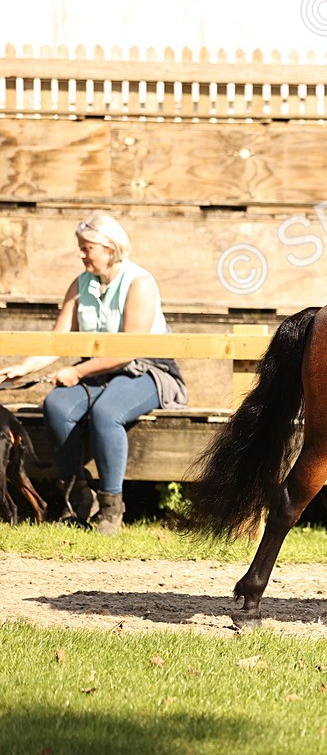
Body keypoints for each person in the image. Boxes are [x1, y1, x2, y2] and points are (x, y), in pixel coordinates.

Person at [0, 213, 187, 534]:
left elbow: (129, 348)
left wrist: (76, 370)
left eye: (87, 248)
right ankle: (77, 501)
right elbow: (57, 340)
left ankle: (112, 509)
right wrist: (23, 368)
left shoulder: (139, 282)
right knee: (56, 405)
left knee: (107, 412)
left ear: (110, 248)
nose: (81, 254)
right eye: (80, 247)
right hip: (98, 374)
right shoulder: (80, 283)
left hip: (147, 370)